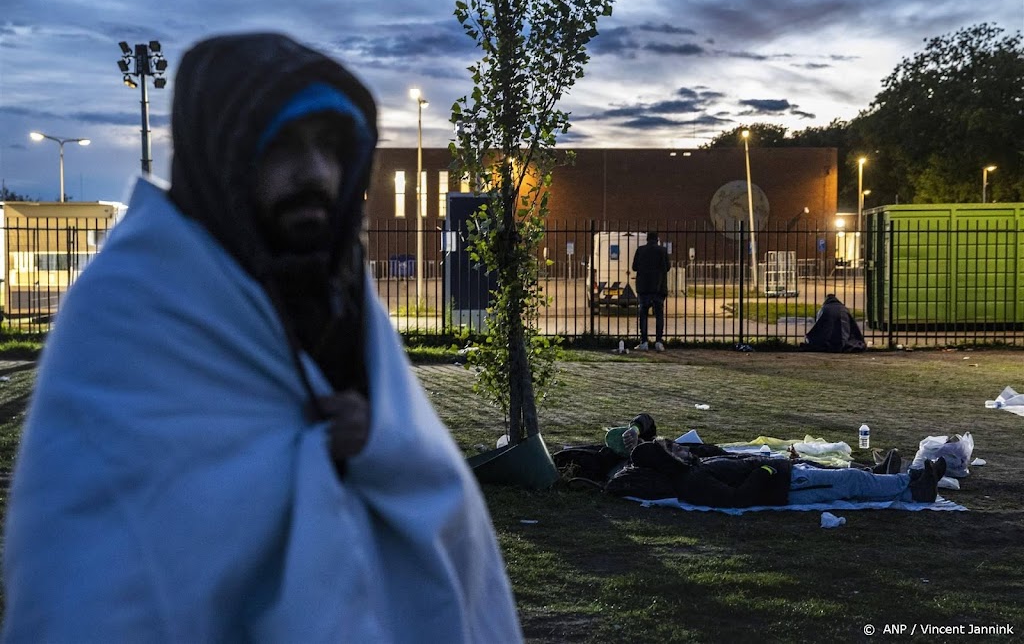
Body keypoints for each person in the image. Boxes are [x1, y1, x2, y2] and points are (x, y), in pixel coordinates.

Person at [3, 33, 522, 642]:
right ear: (224, 154)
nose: (316, 174)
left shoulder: (340, 291)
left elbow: (429, 482)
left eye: (331, 148)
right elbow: (103, 571)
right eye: (284, 146)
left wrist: (377, 438)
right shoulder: (131, 303)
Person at [608, 438, 945, 507]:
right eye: (673, 449)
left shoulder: (694, 466)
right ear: (667, 462)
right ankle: (911, 481)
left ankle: (913, 488)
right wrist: (767, 468)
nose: (682, 449)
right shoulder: (692, 482)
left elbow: (706, 450)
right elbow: (735, 499)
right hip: (785, 485)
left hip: (784, 478)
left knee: (848, 485)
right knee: (850, 482)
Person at [632, 230, 671, 351]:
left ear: (647, 239)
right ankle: (659, 341)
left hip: (644, 288)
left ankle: (644, 341)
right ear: (657, 239)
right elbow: (668, 267)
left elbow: (634, 267)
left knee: (643, 314)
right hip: (659, 288)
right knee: (659, 314)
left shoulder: (640, 250)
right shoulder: (662, 251)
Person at [801, 293, 866, 352]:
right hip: (844, 336)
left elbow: (819, 324)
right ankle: (842, 345)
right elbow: (852, 325)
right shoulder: (843, 308)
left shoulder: (825, 308)